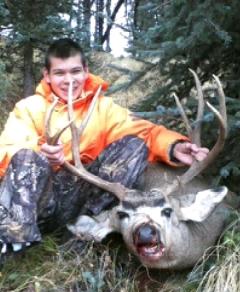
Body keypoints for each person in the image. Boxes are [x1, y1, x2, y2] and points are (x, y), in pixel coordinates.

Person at [0, 38, 208, 255]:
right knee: (26, 158)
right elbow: (7, 149)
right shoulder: (29, 108)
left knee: (134, 147)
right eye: (60, 73)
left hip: (80, 198)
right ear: (47, 75)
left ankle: (83, 233)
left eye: (75, 71)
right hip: (38, 201)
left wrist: (174, 147)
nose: (69, 80)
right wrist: (41, 155)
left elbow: (144, 132)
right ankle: (13, 244)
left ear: (86, 71)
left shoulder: (103, 109)